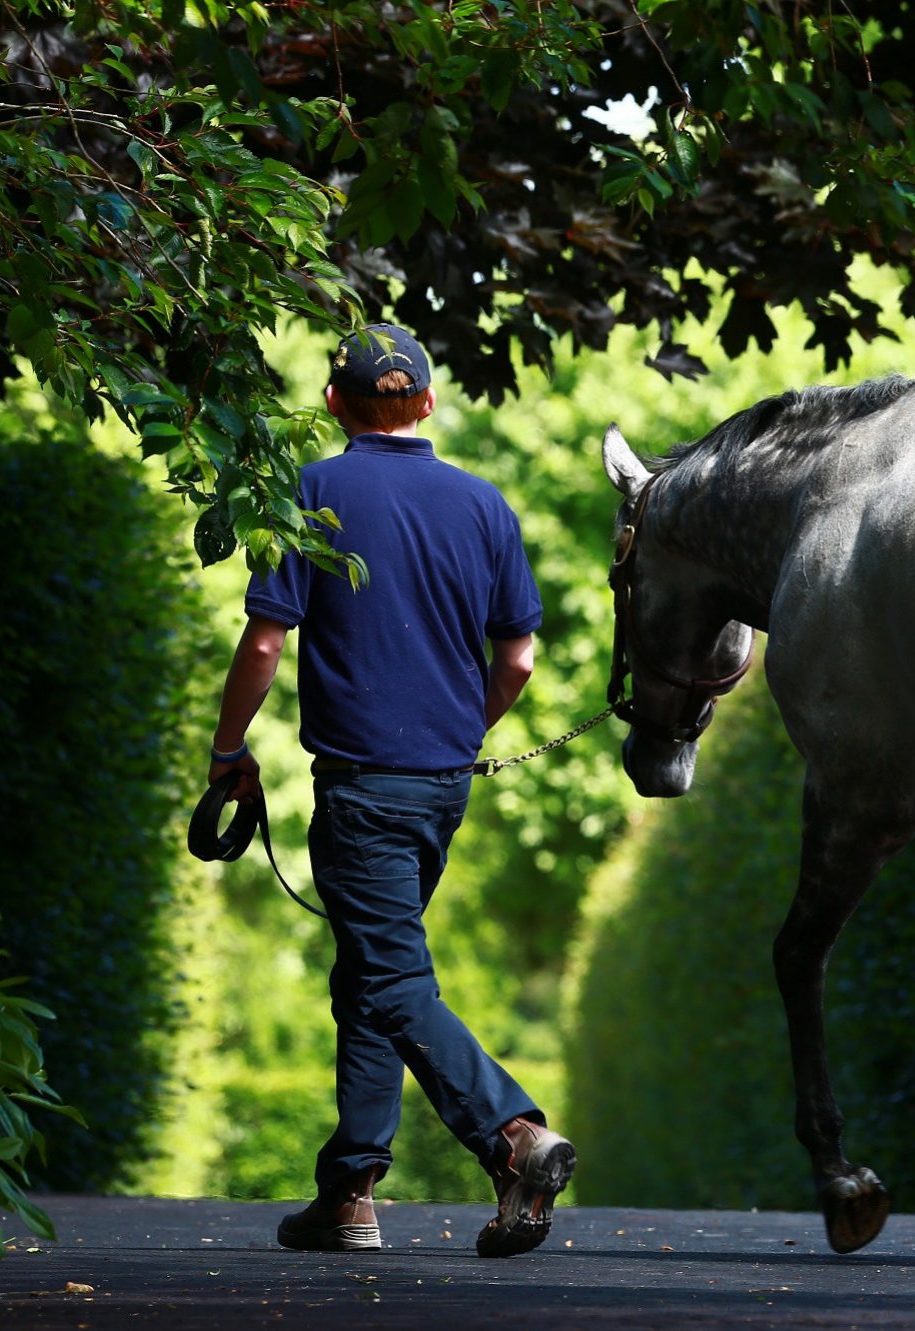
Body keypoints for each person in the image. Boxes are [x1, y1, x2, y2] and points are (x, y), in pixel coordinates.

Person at [205, 323, 574, 1258]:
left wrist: (228, 749)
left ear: (335, 403)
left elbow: (264, 641)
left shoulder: (312, 490)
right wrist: (458, 735)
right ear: (430, 402)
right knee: (371, 970)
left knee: (392, 976)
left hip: (362, 788)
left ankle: (513, 1136)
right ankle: (349, 1193)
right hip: (443, 788)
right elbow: (519, 660)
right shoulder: (485, 504)